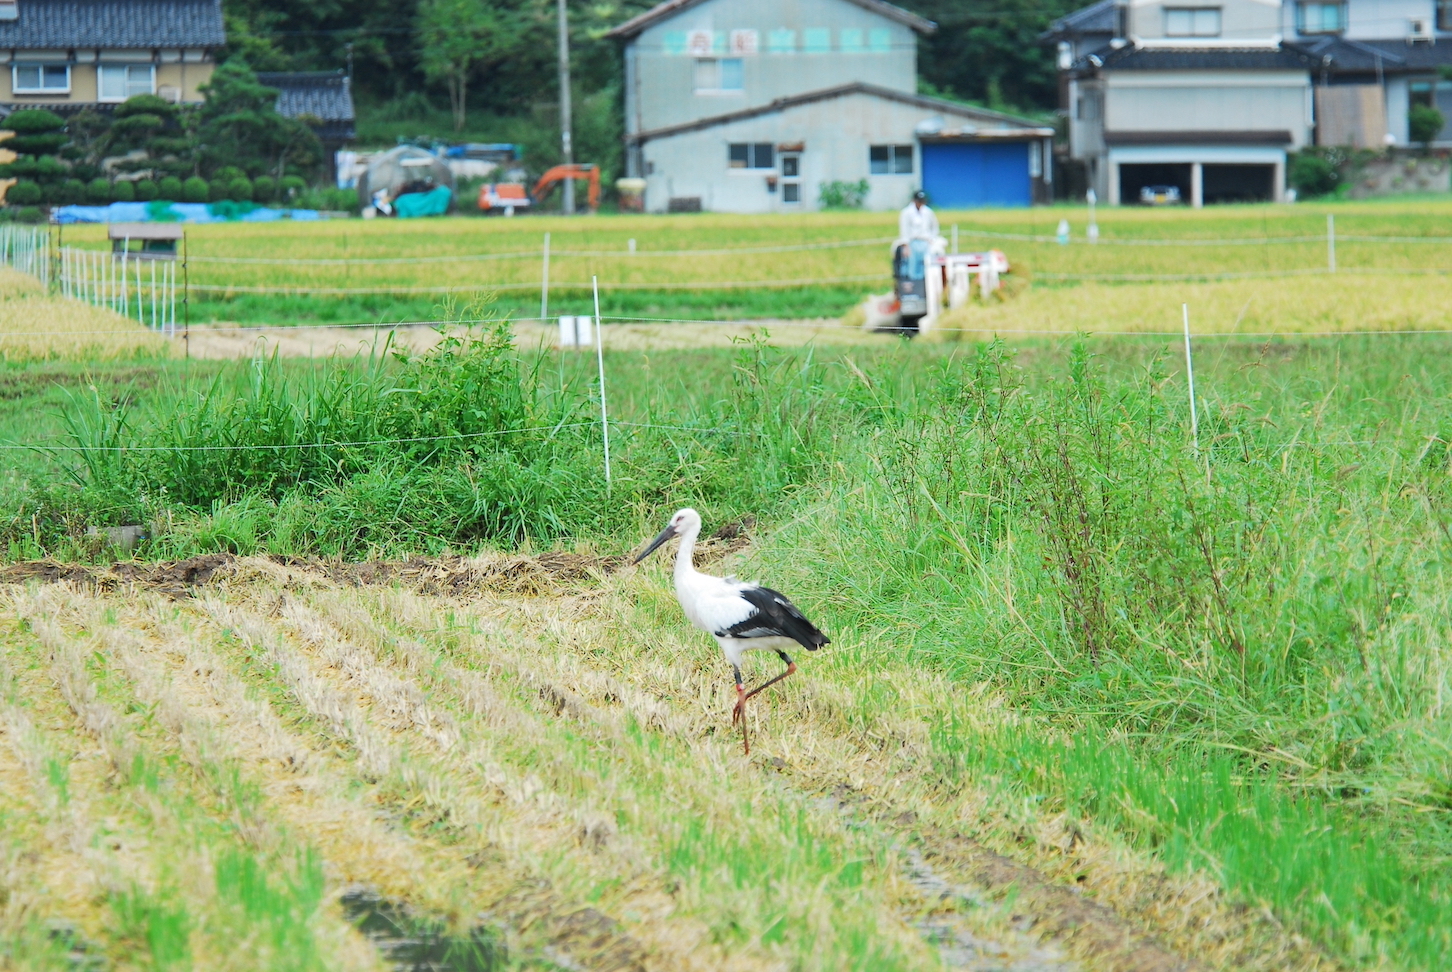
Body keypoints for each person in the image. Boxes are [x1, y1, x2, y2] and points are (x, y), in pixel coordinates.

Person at [898, 190, 938, 279]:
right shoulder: (907, 212)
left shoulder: (928, 212)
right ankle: (914, 286)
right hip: (913, 242)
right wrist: (906, 246)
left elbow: (934, 226)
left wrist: (932, 239)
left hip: (925, 241)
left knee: (926, 265)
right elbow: (904, 229)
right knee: (912, 266)